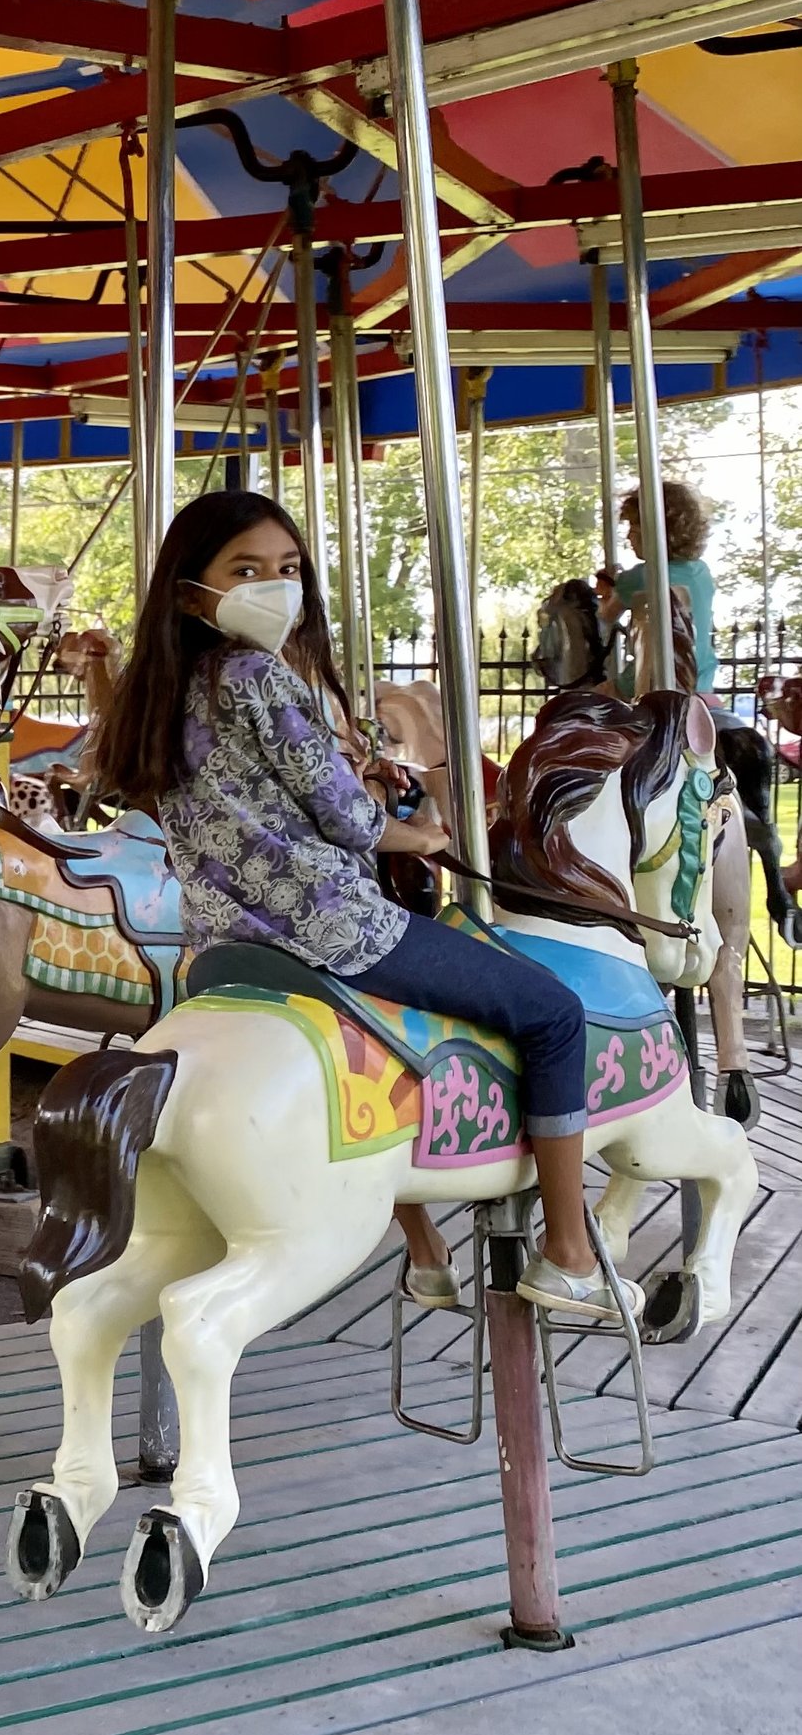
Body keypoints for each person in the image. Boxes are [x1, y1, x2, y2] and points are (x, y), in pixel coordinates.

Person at [91, 490, 634, 1321]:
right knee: (552, 1011)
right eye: (246, 569)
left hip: (219, 946)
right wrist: (419, 832)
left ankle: (425, 1245)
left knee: (393, 1041)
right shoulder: (256, 674)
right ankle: (566, 1252)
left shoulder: (155, 690)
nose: (275, 586)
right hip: (330, 929)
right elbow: (344, 814)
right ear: (190, 587)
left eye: (287, 568)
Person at [597, 480, 717, 700]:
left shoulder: (641, 576)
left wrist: (607, 588)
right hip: (703, 688)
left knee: (582, 705)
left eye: (633, 528)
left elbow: (605, 617)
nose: (628, 537)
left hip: (648, 685)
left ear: (653, 531)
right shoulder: (703, 573)